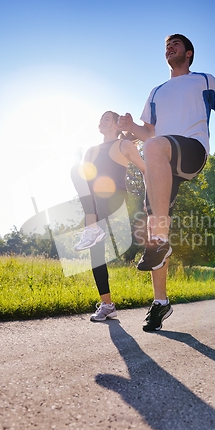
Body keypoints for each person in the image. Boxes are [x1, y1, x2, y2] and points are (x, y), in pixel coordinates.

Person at [118, 34, 215, 332]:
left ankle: (160, 240)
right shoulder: (156, 91)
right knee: (153, 225)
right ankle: (160, 302)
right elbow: (148, 133)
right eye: (165, 46)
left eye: (175, 44)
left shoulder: (204, 80)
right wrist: (129, 126)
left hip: (192, 150)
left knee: (155, 148)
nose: (169, 48)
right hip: (162, 159)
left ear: (189, 53)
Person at [71, 111, 145, 322]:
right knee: (96, 254)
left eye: (106, 118)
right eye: (100, 118)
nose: (101, 121)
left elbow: (145, 169)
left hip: (115, 199)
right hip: (95, 205)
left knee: (101, 188)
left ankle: (91, 227)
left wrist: (153, 199)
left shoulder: (124, 145)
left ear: (116, 125)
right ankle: (107, 305)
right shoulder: (92, 150)